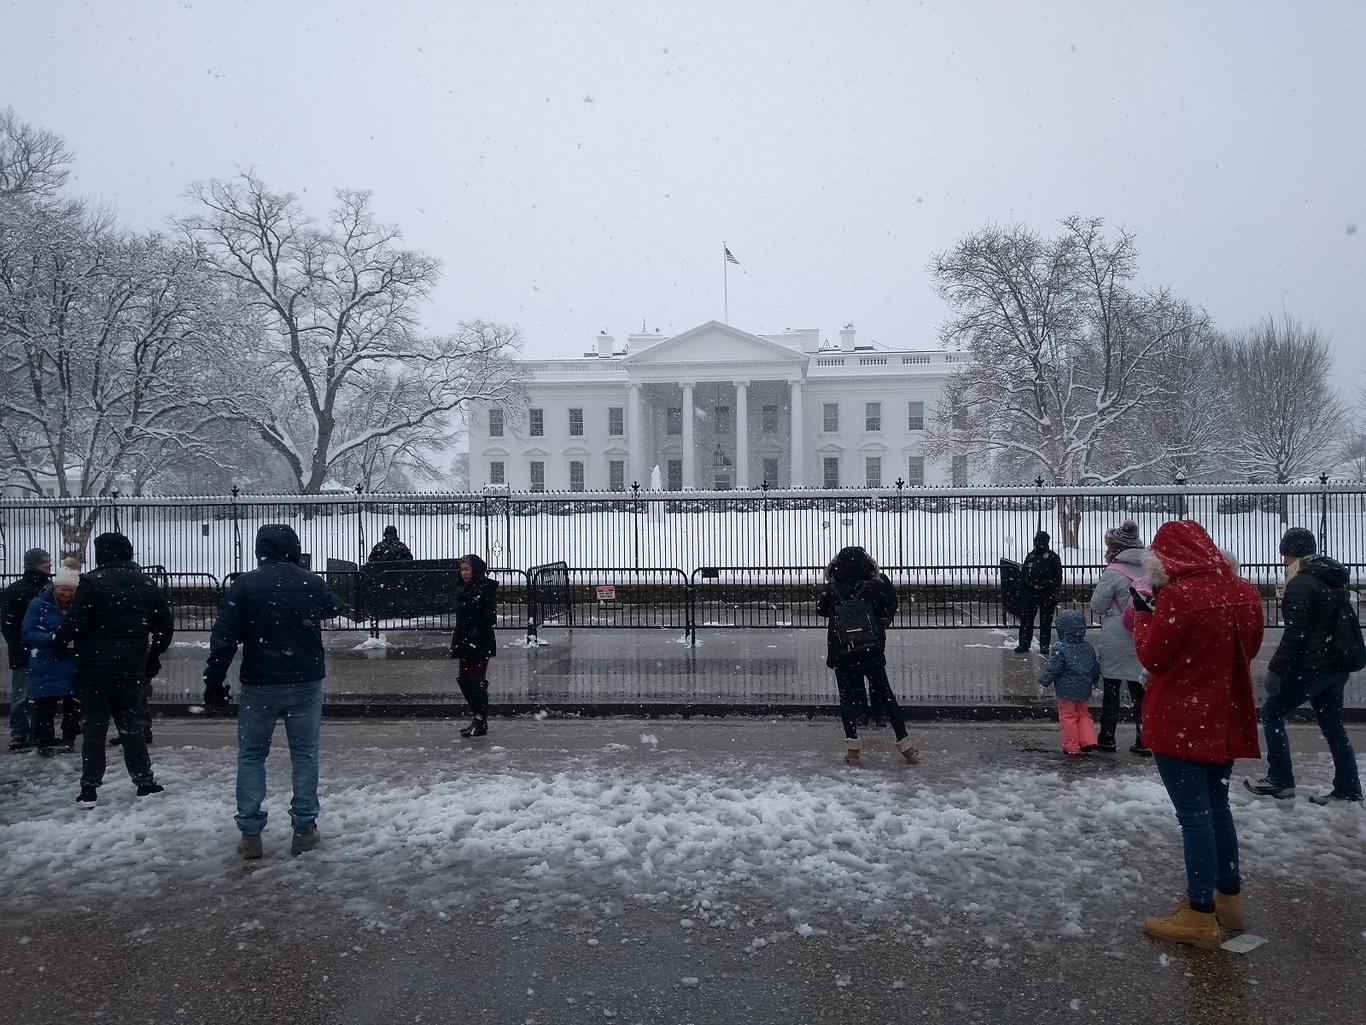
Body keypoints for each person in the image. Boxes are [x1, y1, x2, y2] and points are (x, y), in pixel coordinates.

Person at [1132, 520, 1263, 949]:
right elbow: (1252, 647)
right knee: (1218, 808)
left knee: (1193, 816)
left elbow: (1154, 658)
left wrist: (1142, 622)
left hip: (1180, 720)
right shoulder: (1244, 591)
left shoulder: (1178, 596)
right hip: (1223, 716)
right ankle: (1229, 897)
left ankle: (1199, 913)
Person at [203, 524, 344, 860]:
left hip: (260, 681)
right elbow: (333, 607)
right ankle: (305, 828)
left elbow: (224, 638)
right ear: (294, 548)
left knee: (252, 755)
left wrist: (214, 680)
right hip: (305, 678)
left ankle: (250, 832)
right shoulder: (309, 582)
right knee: (305, 754)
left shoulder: (245, 585)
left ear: (259, 549)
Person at [1244, 527, 1363, 806]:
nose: (1283, 560)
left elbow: (1296, 633)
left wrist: (1276, 668)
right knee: (1334, 728)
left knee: (1272, 712)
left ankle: (1280, 780)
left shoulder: (1301, 583)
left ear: (1290, 553)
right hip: (1336, 666)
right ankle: (1348, 788)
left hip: (1312, 667)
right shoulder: (1333, 579)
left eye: (1284, 553)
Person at [54, 533, 173, 807]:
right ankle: (144, 780)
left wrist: (59, 640)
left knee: (94, 728)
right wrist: (152, 656)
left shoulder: (91, 583)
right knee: (131, 725)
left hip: (94, 667)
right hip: (131, 667)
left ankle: (89, 786)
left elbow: (74, 624)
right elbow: (164, 626)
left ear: (101, 554)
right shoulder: (146, 582)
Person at [815, 546, 920, 767]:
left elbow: (821, 610)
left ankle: (853, 750)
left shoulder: (833, 588)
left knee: (847, 699)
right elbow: (889, 606)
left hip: (843, 650)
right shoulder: (875, 585)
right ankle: (905, 744)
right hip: (870, 649)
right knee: (886, 695)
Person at [1088, 521, 1151, 755]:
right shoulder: (1151, 569)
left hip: (1116, 637)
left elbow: (1097, 605)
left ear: (1115, 547)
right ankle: (1144, 739)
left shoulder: (1113, 572)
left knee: (1112, 690)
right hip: (1142, 635)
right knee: (1140, 692)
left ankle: (1107, 738)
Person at [20, 564, 82, 756]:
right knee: (44, 704)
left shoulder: (80, 605)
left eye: (72, 590)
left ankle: (68, 738)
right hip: (46, 660)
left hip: (71, 660)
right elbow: (28, 632)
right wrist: (53, 638)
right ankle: (44, 740)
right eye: (64, 589)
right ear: (55, 588)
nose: (67, 594)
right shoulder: (39, 604)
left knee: (73, 703)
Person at [1, 547, 51, 751]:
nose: (49, 564)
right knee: (29, 692)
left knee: (23, 692)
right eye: (44, 562)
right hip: (33, 648)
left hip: (27, 649)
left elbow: (8, 623)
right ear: (35, 565)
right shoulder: (45, 589)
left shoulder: (18, 589)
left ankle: (21, 732)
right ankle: (27, 731)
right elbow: (8, 624)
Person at [1037, 610, 1101, 756]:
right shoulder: (1087, 647)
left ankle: (1071, 746)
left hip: (1066, 690)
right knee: (1084, 714)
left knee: (1068, 717)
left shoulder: (1061, 648)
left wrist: (1043, 682)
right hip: (1084, 688)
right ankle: (1088, 740)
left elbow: (1054, 669)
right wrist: (1094, 681)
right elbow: (1094, 666)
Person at [451, 553, 499, 738]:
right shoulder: (461, 588)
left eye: (467, 569)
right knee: (464, 679)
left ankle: (481, 720)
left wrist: (475, 631)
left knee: (476, 680)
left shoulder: (485, 588)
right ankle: (476, 716)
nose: (463, 573)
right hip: (463, 639)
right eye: (462, 569)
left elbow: (489, 617)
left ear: (475, 570)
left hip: (479, 640)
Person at [1015, 531, 1062, 655]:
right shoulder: (1031, 556)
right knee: (1027, 619)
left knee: (1044, 621)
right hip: (1032, 592)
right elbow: (1024, 574)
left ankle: (1043, 645)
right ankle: (1025, 644)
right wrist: (1023, 591)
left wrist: (1053, 592)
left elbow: (1057, 577)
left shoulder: (1051, 557)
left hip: (1046, 593)